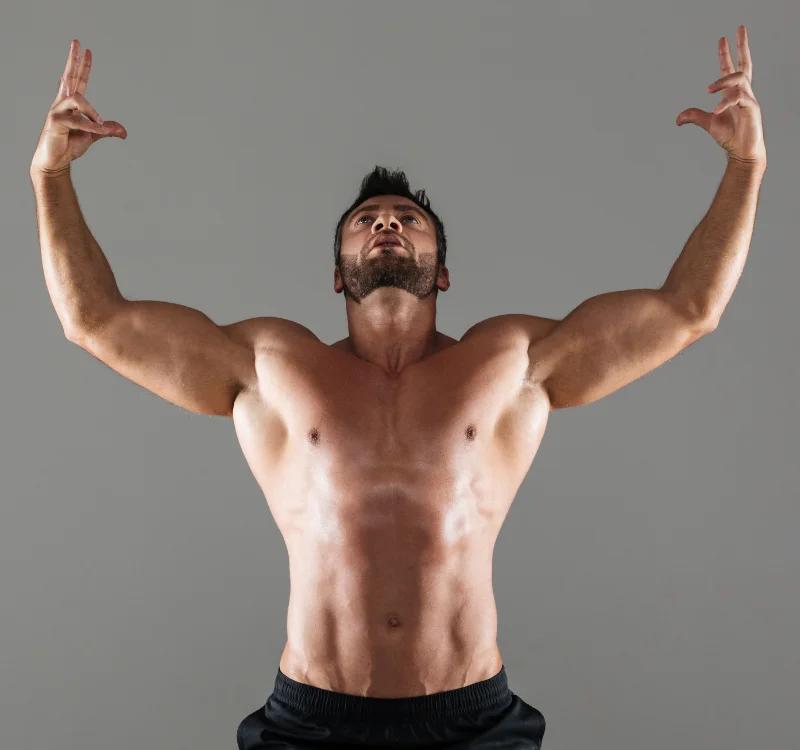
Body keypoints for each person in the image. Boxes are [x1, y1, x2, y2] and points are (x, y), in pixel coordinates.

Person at [30, 29, 766, 749]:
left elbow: (688, 310)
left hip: (473, 722)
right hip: (311, 722)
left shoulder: (509, 361)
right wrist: (51, 179)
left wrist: (745, 167)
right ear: (338, 273)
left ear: (441, 271)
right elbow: (94, 320)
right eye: (366, 220)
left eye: (408, 219)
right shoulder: (270, 364)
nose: (387, 221)